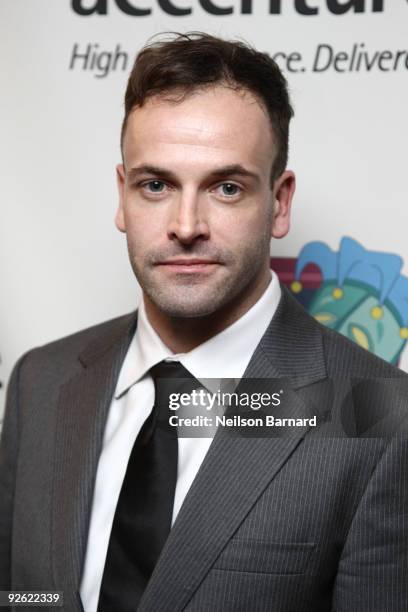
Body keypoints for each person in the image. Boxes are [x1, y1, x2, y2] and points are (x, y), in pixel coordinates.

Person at [0, 32, 407, 612]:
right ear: (123, 196)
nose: (185, 224)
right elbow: (23, 596)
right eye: (156, 185)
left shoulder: (383, 417)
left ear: (280, 202)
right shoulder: (41, 380)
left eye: (226, 187)